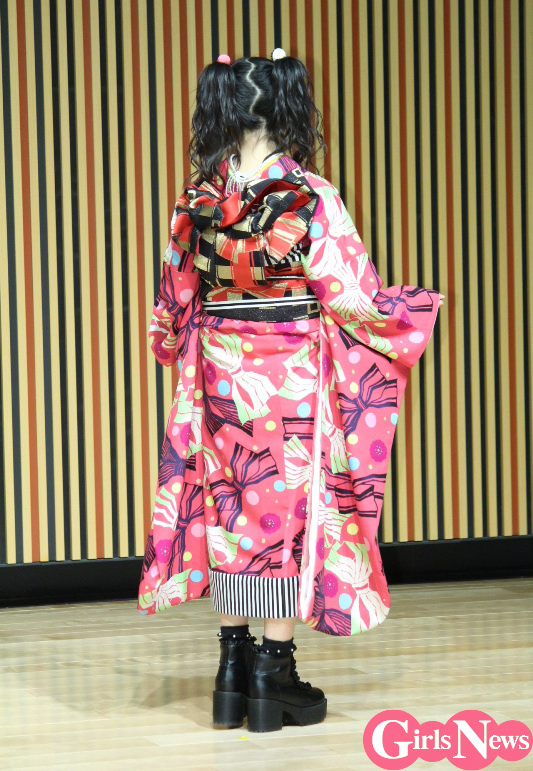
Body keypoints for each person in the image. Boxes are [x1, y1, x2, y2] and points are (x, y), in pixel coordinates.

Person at [137, 50, 445, 733]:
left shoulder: (197, 199)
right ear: (287, 108)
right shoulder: (309, 195)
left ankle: (231, 668)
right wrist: (408, 312)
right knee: (283, 519)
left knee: (229, 509)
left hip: (219, 374)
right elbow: (350, 294)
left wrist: (176, 344)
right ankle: (272, 674)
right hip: (290, 375)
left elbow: (172, 301)